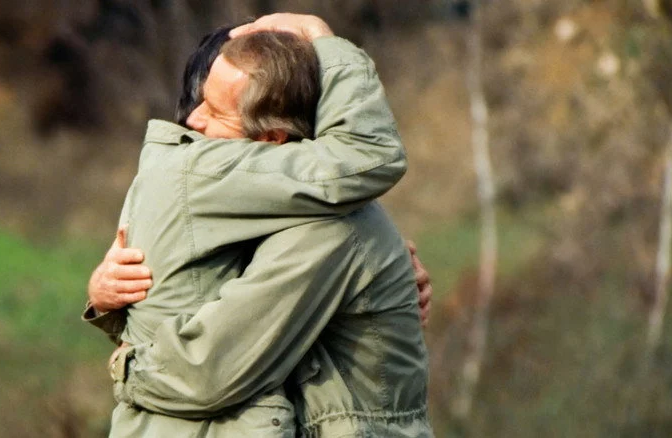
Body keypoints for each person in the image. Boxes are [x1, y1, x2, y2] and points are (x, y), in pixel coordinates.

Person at [86, 14, 433, 437]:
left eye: (216, 112)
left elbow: (209, 370)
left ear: (272, 139)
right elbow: (193, 308)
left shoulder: (326, 228)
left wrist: (129, 364)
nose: (193, 126)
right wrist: (110, 300)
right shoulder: (263, 202)